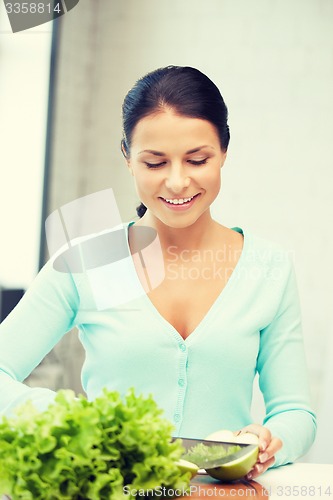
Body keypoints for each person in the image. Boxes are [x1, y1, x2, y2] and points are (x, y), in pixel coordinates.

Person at [0, 65, 316, 480]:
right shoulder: (84, 263)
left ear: (224, 152)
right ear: (128, 159)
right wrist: (77, 419)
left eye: (197, 159)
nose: (177, 182)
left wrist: (270, 440)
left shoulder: (268, 267)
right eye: (155, 163)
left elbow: (296, 412)